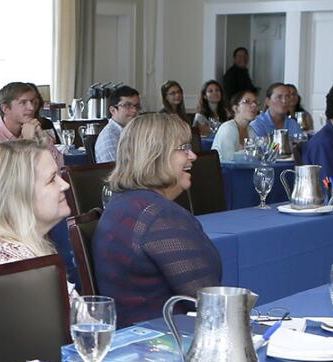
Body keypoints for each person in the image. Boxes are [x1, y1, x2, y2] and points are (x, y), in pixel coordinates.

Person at [91, 113, 221, 326]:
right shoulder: (159, 216)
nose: (193, 156)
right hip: (167, 342)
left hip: (134, 340)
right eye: (183, 148)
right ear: (155, 155)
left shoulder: (122, 203)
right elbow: (210, 303)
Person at [0, 139, 70, 272]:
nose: (65, 185)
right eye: (51, 179)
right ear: (18, 196)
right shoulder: (6, 262)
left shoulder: (26, 250)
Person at [0, 82, 63, 185]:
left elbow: (58, 166)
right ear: (6, 109)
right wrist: (27, 142)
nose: (32, 108)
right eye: (23, 103)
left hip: (25, 196)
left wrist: (42, 137)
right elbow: (8, 177)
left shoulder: (32, 131)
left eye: (33, 102)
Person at [94, 86, 142, 163]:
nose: (134, 110)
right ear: (113, 110)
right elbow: (115, 172)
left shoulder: (134, 131)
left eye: (137, 106)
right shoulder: (109, 137)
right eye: (127, 105)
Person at [211, 89, 259, 161]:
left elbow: (256, 156)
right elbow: (228, 158)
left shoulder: (251, 130)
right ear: (236, 108)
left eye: (255, 102)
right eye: (247, 101)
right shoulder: (228, 128)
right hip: (223, 171)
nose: (254, 105)